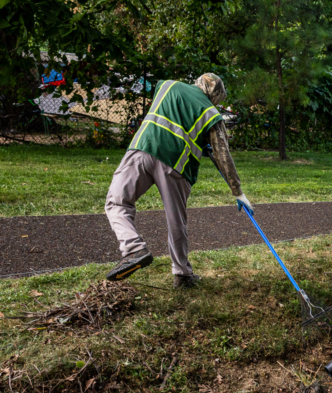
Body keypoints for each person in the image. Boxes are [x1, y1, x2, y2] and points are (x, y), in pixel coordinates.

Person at [104, 73, 252, 288]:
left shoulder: (167, 85)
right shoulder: (211, 113)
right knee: (176, 220)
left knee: (117, 202)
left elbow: (173, 119)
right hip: (176, 165)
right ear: (216, 94)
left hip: (142, 150)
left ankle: (133, 248)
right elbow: (223, 157)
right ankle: (182, 275)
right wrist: (237, 191)